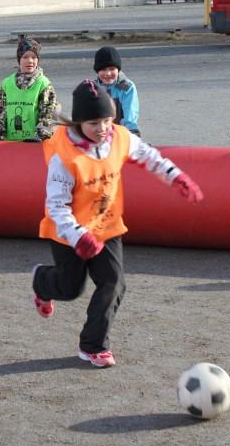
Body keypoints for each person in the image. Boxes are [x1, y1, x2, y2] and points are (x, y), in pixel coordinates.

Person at [32, 80, 204, 368]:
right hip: (68, 233)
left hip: (107, 226)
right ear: (78, 122)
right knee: (70, 288)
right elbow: (56, 207)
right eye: (94, 123)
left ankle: (93, 346)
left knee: (113, 283)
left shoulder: (119, 137)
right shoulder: (63, 157)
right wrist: (79, 237)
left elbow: (150, 157)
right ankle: (42, 282)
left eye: (107, 121)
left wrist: (177, 177)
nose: (102, 129)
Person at [0, 36, 59, 141]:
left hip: (35, 144)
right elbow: (0, 111)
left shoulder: (43, 84)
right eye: (25, 57)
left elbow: (48, 112)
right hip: (10, 143)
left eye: (34, 57)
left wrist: (42, 133)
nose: (30, 61)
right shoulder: (7, 83)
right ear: (19, 59)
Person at [93, 46, 141, 136]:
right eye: (103, 69)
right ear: (97, 71)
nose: (108, 73)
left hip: (120, 134)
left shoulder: (127, 87)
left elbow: (130, 115)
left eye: (112, 69)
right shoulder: (92, 88)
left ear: (118, 70)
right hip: (98, 134)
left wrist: (132, 134)